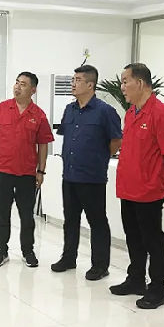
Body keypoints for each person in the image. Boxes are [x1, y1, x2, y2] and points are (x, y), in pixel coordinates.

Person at [110, 63, 164, 309]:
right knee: (133, 237)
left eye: (125, 81)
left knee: (153, 239)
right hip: (128, 187)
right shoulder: (131, 112)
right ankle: (136, 279)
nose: (122, 87)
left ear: (140, 83)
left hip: (149, 190)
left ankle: (158, 288)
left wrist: (162, 176)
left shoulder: (160, 113)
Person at [0, 72, 54, 267]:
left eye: (23, 84)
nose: (17, 87)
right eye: (17, 83)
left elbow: (43, 144)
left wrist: (41, 171)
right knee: (2, 214)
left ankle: (28, 251)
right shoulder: (2, 108)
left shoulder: (39, 115)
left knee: (27, 216)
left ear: (33, 90)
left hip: (26, 173)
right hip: (2, 171)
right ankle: (1, 251)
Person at [51, 64, 122, 281]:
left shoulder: (105, 111)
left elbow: (116, 141)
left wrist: (98, 158)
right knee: (70, 219)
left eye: (78, 80)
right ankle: (68, 258)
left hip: (92, 177)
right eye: (73, 80)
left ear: (90, 85)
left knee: (96, 221)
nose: (73, 84)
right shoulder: (69, 109)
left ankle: (100, 266)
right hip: (69, 175)